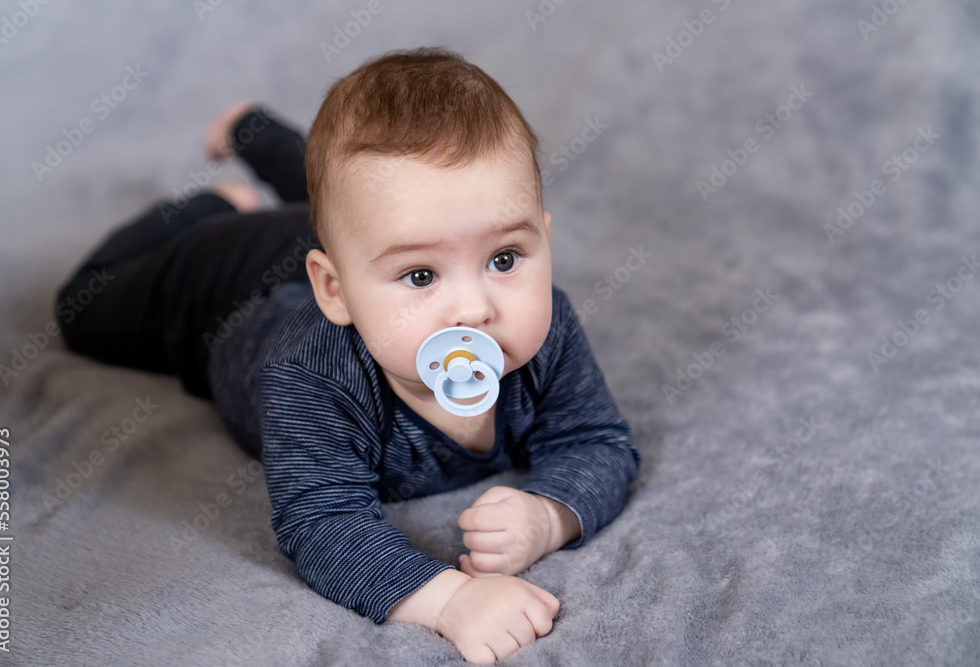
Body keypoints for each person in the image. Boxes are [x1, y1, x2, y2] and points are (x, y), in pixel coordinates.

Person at [55, 47, 641, 664]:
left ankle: (273, 150)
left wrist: (549, 516)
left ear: (544, 238)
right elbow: (322, 523)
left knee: (346, 210)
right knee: (83, 311)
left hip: (356, 245)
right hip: (227, 285)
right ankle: (217, 202)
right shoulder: (308, 374)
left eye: (504, 259)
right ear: (333, 291)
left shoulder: (547, 326)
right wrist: (450, 601)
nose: (473, 310)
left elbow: (597, 440)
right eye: (421, 276)